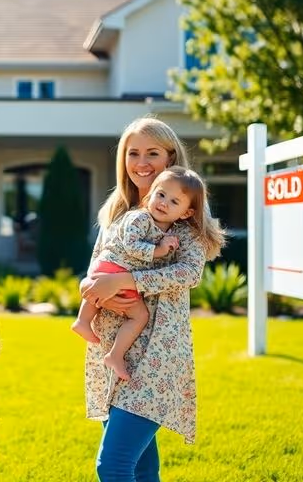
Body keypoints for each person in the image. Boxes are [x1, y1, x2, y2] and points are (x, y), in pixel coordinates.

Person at [79, 117, 225, 482]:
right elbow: (97, 267)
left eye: (153, 153)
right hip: (114, 350)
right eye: (133, 153)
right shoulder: (117, 212)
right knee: (142, 468)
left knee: (112, 465)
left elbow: (188, 274)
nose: (141, 162)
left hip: (157, 353)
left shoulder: (185, 216)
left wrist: (128, 281)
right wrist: (93, 285)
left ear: (171, 157)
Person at [72, 165, 215, 382]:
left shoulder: (173, 231)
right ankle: (112, 351)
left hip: (114, 270)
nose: (163, 202)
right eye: (160, 194)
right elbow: (132, 245)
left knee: (134, 313)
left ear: (186, 212)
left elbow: (190, 272)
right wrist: (159, 250)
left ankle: (94, 332)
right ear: (151, 194)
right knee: (140, 316)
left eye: (174, 201)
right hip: (114, 267)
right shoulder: (139, 218)